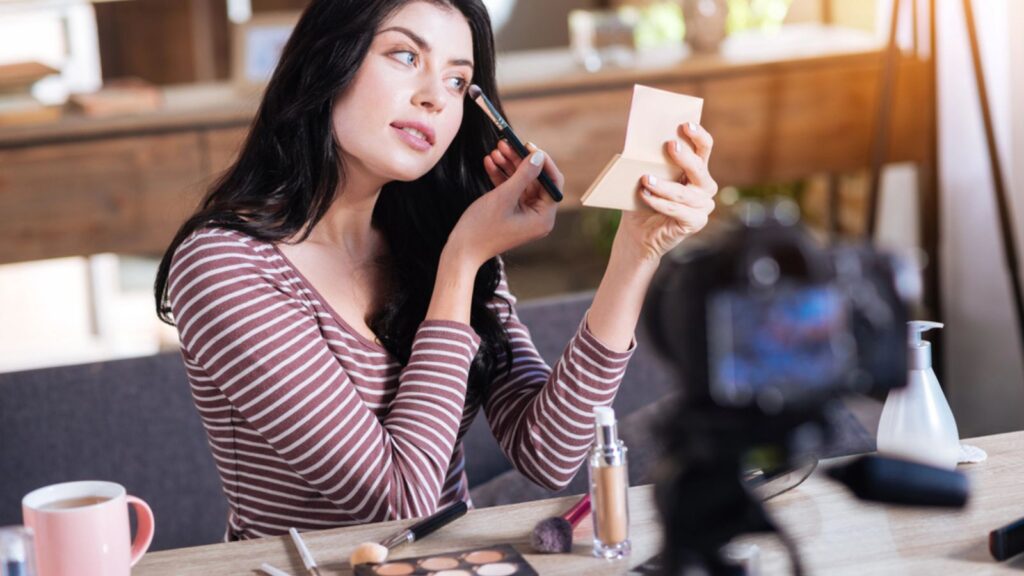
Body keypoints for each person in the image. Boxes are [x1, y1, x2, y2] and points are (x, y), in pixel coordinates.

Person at [154, 0, 717, 540]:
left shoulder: (436, 233)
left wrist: (636, 251)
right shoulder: (224, 265)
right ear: (328, 57)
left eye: (456, 80)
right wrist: (462, 263)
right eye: (405, 56)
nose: (434, 98)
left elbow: (552, 451)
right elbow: (399, 503)